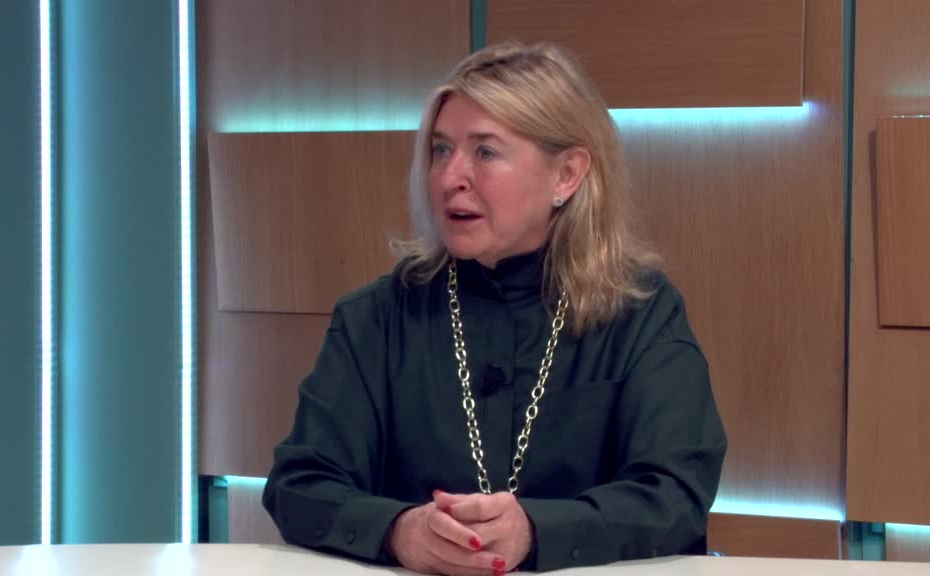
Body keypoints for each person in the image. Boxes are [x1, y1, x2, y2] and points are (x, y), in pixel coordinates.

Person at [262, 41, 726, 575]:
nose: (449, 177)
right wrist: (398, 532)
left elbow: (675, 494)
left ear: (566, 175)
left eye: (484, 152)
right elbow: (299, 485)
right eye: (441, 150)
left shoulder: (641, 313)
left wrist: (536, 530)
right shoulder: (376, 318)